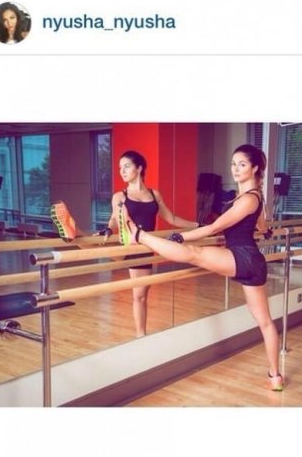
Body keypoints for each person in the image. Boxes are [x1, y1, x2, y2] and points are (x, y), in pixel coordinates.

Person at [119, 144, 284, 391]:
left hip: (242, 257)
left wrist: (181, 237)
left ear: (254, 168)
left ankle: (140, 236)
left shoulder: (248, 198)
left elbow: (214, 228)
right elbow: (261, 225)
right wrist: (266, 231)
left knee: (193, 253)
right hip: (250, 260)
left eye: (242, 164)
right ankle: (275, 377)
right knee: (265, 322)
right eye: (233, 164)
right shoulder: (255, 197)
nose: (235, 168)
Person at [51, 150, 198, 338]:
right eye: (120, 167)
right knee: (111, 253)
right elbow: (114, 219)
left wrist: (199, 225)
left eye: (126, 166)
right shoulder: (120, 196)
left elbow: (172, 219)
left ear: (139, 168)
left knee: (140, 295)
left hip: (146, 248)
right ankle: (77, 231)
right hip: (129, 242)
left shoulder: (154, 194)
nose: (122, 171)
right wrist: (109, 228)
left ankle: (76, 233)